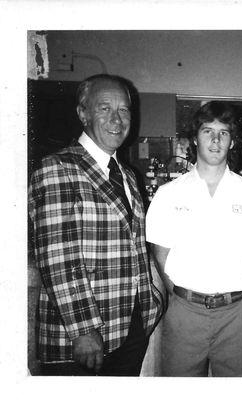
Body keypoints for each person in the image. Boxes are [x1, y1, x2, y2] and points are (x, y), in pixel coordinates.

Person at [28, 74, 165, 376]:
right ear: (83, 113)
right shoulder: (58, 168)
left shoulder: (128, 176)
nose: (117, 119)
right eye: (104, 108)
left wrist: (151, 304)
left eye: (124, 110)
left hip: (130, 328)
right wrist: (82, 329)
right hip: (83, 338)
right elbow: (56, 256)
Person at [146, 101, 242, 377]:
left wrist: (239, 301)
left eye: (223, 133)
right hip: (184, 314)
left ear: (232, 142)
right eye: (208, 131)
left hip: (237, 316)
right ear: (195, 138)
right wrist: (185, 298)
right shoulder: (168, 194)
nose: (215, 140)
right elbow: (161, 256)